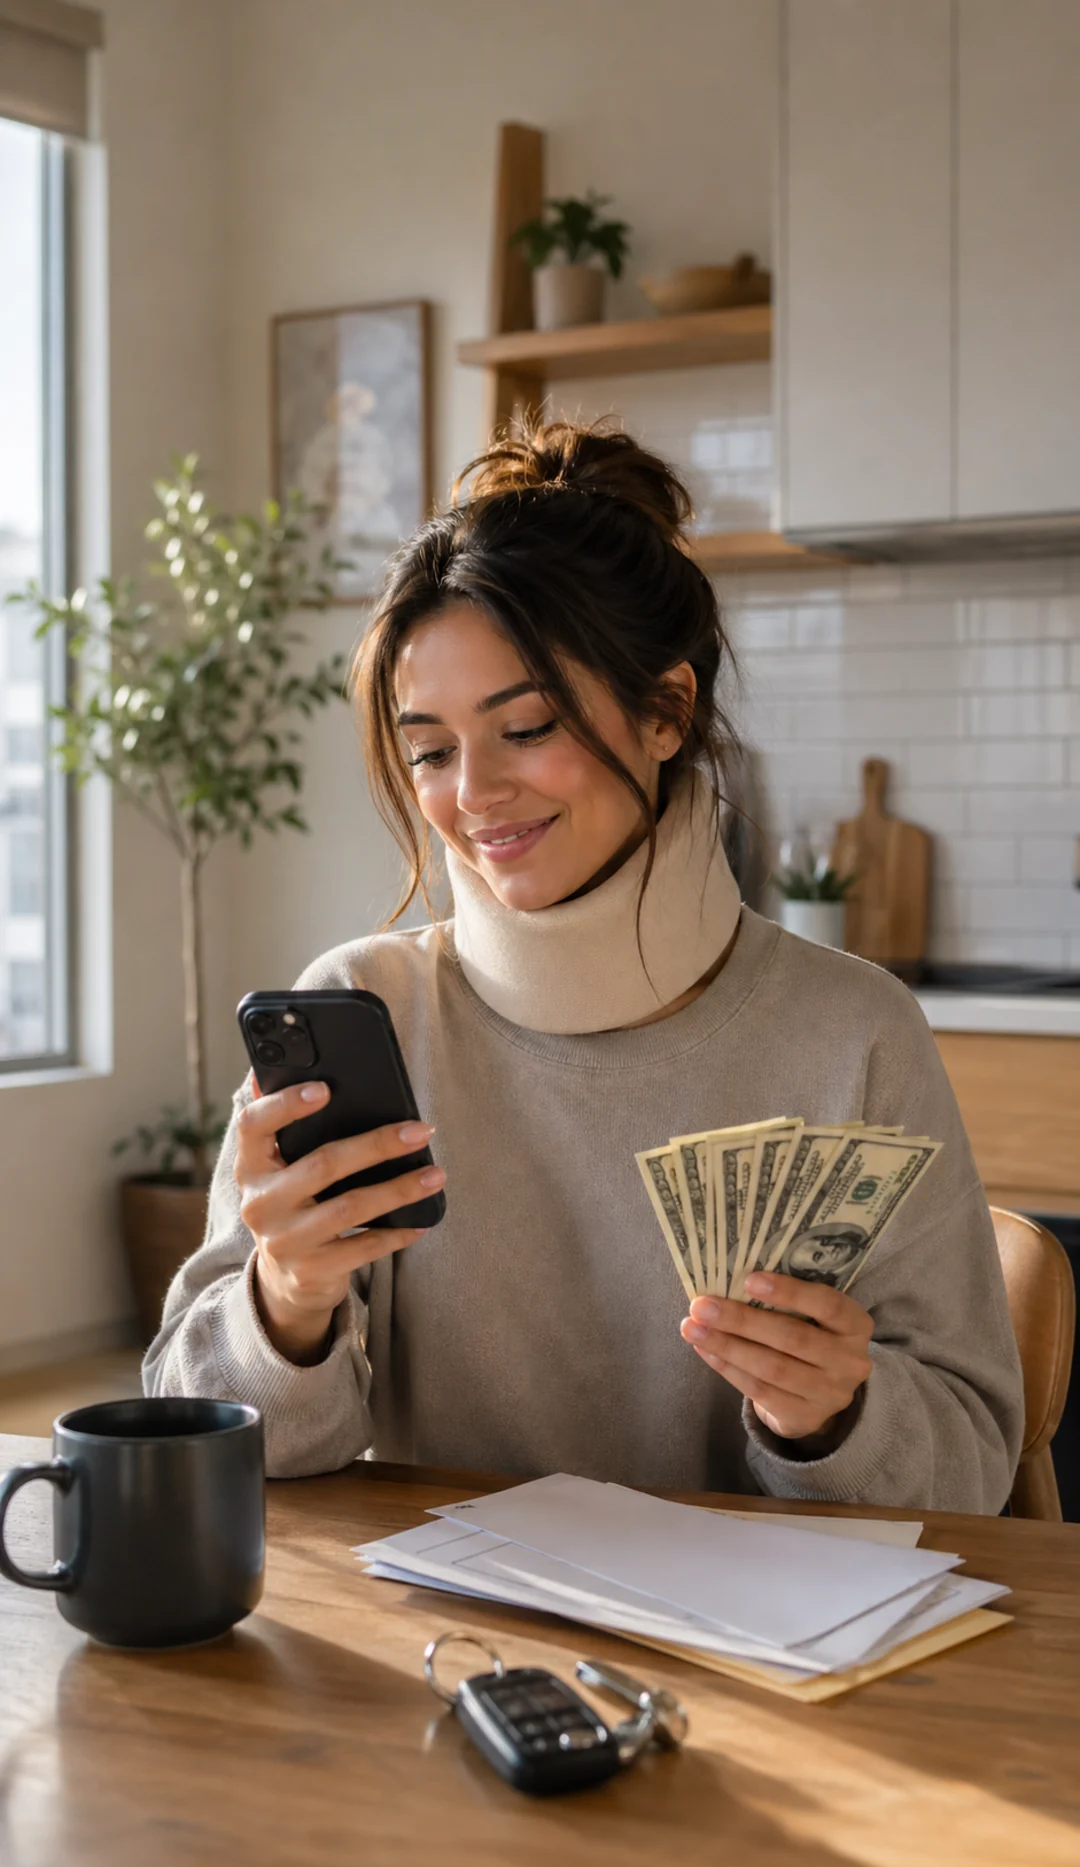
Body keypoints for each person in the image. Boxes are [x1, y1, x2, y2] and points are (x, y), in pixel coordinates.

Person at [143, 421, 1023, 1510]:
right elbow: (190, 1428)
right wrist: (285, 1301)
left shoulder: (856, 1032)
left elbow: (975, 1473)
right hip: (451, 1651)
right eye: (429, 750)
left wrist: (836, 1414)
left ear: (667, 711)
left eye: (526, 727)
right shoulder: (362, 1009)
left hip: (753, 1664)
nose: (471, 793)